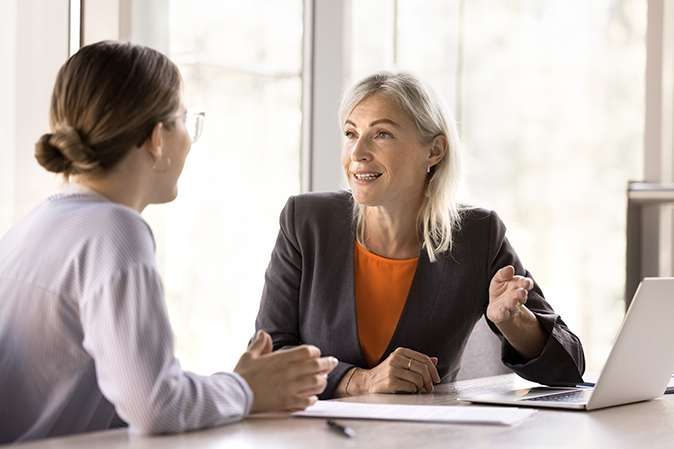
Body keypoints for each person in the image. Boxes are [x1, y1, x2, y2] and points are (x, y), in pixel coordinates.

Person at [0, 41, 337, 444]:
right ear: (157, 138)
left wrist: (239, 386)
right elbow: (155, 406)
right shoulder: (116, 231)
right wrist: (245, 390)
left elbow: (129, 388)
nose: (189, 140)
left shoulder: (32, 226)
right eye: (184, 119)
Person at [255, 69, 585, 399]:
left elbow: (568, 367)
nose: (357, 153)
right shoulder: (306, 221)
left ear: (434, 151)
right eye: (351, 133)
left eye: (381, 134)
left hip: (426, 436)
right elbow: (267, 356)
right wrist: (361, 380)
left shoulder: (476, 235)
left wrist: (514, 320)